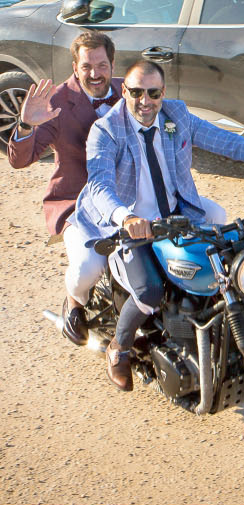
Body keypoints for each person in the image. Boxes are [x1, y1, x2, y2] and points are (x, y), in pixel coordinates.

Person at [74, 58, 244, 392]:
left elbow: (226, 141)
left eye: (153, 92)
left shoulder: (176, 115)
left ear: (163, 92)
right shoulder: (107, 130)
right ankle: (119, 348)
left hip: (176, 217)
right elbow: (99, 185)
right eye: (136, 91)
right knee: (150, 292)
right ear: (123, 90)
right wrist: (125, 217)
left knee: (225, 262)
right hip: (129, 226)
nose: (145, 100)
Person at [7, 32, 123, 346]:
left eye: (102, 65)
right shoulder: (57, 101)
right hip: (77, 202)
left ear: (112, 63)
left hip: (126, 200)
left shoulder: (128, 91)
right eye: (87, 66)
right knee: (88, 266)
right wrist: (27, 125)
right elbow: (21, 160)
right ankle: (73, 302)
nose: (95, 73)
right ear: (75, 66)